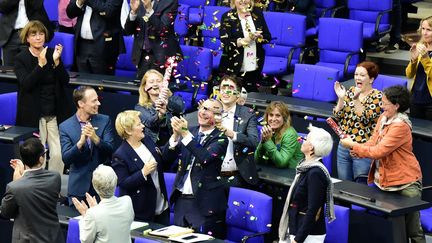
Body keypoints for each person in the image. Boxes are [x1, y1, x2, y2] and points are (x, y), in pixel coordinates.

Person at [341, 85, 425, 243]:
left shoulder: (400, 125)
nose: (381, 105)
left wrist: (353, 146)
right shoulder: (383, 118)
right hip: (385, 183)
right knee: (391, 227)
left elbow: (379, 151)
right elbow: (372, 142)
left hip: (406, 183)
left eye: (385, 103)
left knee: (413, 231)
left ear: (396, 106)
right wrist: (358, 148)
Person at [164, 99, 228, 238]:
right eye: (202, 108)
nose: (202, 112)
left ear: (218, 116)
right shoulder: (190, 131)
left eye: (208, 110)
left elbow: (205, 157)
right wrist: (175, 136)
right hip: (181, 200)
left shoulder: (221, 139)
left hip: (203, 203)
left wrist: (185, 134)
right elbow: (165, 158)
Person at [14, 20, 71, 175]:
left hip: (53, 112)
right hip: (34, 115)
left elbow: (65, 81)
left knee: (58, 154)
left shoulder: (52, 53)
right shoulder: (21, 58)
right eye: (34, 34)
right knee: (37, 156)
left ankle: (53, 187)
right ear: (27, 38)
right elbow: (26, 84)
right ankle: (37, 186)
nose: (38, 37)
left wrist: (57, 62)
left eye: (41, 34)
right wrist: (40, 66)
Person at [278, 125, 335, 243]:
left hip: (308, 235)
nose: (302, 140)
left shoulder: (316, 173)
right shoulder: (305, 167)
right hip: (297, 228)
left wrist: (298, 239)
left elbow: (313, 210)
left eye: (306, 139)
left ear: (312, 148)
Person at [0, 138, 64, 243]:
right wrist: (23, 176)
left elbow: (6, 213)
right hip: (52, 238)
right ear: (41, 159)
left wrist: (18, 180)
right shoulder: (55, 177)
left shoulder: (15, 187)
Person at [112, 110, 170, 224]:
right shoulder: (120, 154)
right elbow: (123, 183)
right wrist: (143, 172)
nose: (143, 126)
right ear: (128, 131)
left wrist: (172, 143)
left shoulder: (147, 140)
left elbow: (161, 156)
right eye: (139, 124)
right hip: (142, 211)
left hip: (162, 206)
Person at [60, 86, 114, 204]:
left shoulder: (105, 120)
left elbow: (110, 150)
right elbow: (66, 159)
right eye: (94, 101)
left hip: (102, 188)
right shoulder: (65, 127)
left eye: (97, 99)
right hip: (78, 189)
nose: (98, 103)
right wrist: (80, 144)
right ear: (81, 103)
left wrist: (95, 139)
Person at [333, 61, 383, 181]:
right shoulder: (350, 91)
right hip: (343, 147)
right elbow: (338, 115)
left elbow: (364, 118)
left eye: (362, 75)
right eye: (356, 75)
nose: (357, 78)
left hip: (362, 149)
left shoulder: (377, 96)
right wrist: (341, 98)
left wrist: (356, 99)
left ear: (371, 79)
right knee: (344, 186)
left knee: (360, 189)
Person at [217, 75, 259, 190]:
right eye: (223, 88)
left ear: (238, 93)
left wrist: (232, 134)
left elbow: (254, 141)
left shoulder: (248, 114)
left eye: (230, 88)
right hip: (210, 176)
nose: (226, 92)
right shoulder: (210, 110)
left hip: (235, 177)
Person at [72, 165, 134, 243]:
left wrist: (85, 216)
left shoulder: (93, 213)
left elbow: (85, 240)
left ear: (95, 187)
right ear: (116, 181)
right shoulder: (127, 201)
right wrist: (95, 210)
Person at [219, 0, 272, 92]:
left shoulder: (258, 14)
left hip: (254, 63)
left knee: (251, 94)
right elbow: (226, 42)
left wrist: (260, 37)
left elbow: (268, 37)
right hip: (233, 64)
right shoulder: (227, 17)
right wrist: (245, 40)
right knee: (232, 93)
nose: (243, 1)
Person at [124, 0, 182, 80]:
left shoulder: (170, 2)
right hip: (142, 56)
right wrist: (133, 12)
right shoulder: (140, 1)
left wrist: (149, 11)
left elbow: (163, 30)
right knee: (142, 90)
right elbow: (128, 31)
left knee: (160, 90)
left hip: (162, 57)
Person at [66, 0, 124, 75]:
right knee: (84, 82)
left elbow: (109, 11)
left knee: (102, 83)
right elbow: (70, 13)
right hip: (81, 45)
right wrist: (79, 3)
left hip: (103, 46)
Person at [135, 69, 185, 145]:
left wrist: (168, 100)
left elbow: (181, 108)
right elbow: (150, 122)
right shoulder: (140, 107)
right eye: (151, 82)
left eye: (158, 81)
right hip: (154, 145)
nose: (155, 84)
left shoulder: (173, 99)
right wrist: (160, 115)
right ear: (145, 87)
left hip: (175, 141)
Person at [0, 0, 54, 66]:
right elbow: (2, 7)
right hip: (10, 35)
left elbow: (37, 4)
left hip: (31, 35)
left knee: (29, 67)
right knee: (8, 69)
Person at [255, 101, 304, 168]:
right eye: (271, 115)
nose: (273, 119)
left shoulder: (290, 134)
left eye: (278, 115)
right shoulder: (269, 130)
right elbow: (257, 159)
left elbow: (282, 163)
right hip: (273, 170)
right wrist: (263, 141)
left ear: (284, 118)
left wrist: (268, 141)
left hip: (290, 173)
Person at [406, 15, 432, 120]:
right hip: (416, 98)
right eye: (423, 29)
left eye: (429, 30)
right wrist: (413, 60)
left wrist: (425, 58)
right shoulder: (421, 46)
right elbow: (409, 74)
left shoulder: (424, 52)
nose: (424, 33)